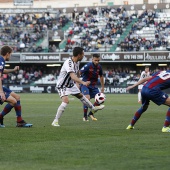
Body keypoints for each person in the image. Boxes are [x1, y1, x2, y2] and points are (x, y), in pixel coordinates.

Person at [51, 47, 104, 127]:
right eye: (83, 54)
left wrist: (78, 81)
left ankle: (93, 108)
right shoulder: (69, 62)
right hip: (63, 85)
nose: (83, 56)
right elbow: (72, 76)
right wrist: (83, 82)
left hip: (71, 85)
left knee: (81, 96)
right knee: (65, 101)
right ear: (79, 55)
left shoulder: (77, 63)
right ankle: (55, 121)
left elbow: (76, 74)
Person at [0, 45, 32, 128]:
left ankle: (19, 121)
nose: (10, 56)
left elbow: (3, 71)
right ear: (7, 53)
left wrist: (13, 70)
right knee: (13, 101)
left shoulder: (2, 61)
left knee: (17, 97)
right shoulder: (1, 61)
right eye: (10, 54)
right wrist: (1, 92)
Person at [79, 53, 105, 121]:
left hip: (93, 86)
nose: (97, 62)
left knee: (101, 99)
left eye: (98, 60)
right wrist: (78, 82)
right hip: (85, 85)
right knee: (87, 98)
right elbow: (79, 73)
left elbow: (101, 76)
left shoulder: (99, 67)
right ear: (92, 59)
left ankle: (91, 113)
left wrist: (102, 87)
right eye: (95, 60)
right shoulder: (88, 65)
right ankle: (85, 116)